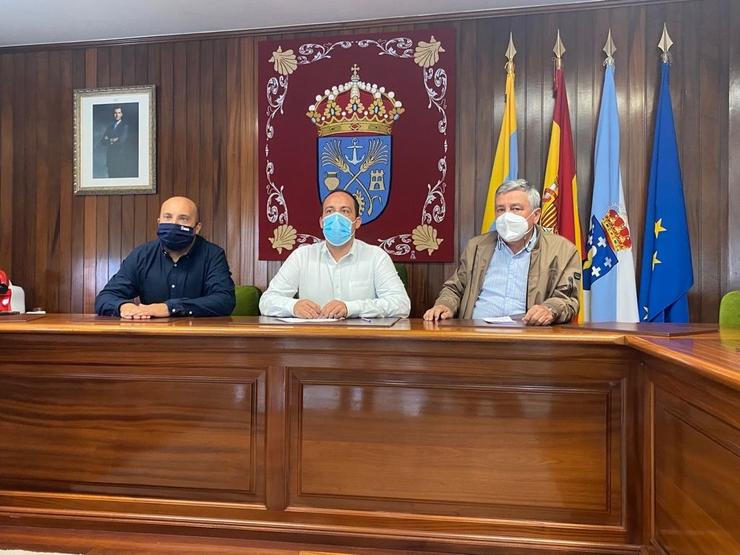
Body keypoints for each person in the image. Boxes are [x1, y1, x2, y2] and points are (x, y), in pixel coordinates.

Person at [424, 179, 580, 326]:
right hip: (477, 335)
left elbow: (567, 299)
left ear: (536, 215)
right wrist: (445, 305)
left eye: (515, 209)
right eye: (500, 210)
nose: (507, 216)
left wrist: (549, 309)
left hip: (530, 338)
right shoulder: (477, 247)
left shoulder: (563, 250)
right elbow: (455, 289)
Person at [259, 190, 410, 319]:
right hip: (312, 344)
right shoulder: (301, 256)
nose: (336, 218)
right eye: (330, 211)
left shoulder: (376, 257)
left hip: (362, 344)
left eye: (345, 211)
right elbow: (266, 301)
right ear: (322, 222)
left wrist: (351, 308)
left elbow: (401, 305)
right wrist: (293, 306)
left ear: (357, 222)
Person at [95, 196, 236, 319]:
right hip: (150, 339)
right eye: (167, 217)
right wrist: (124, 307)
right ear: (159, 222)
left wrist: (169, 308)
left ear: (197, 227)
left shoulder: (212, 255)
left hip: (197, 339)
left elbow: (224, 301)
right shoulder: (142, 255)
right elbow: (105, 298)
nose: (174, 224)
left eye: (183, 219)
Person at [100, 106, 130, 178]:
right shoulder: (109, 127)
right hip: (110, 158)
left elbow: (121, 142)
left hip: (120, 159)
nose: (117, 115)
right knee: (111, 179)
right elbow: (102, 141)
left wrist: (108, 139)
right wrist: (112, 140)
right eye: (115, 113)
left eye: (119, 113)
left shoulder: (125, 126)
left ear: (121, 114)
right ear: (113, 114)